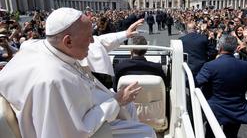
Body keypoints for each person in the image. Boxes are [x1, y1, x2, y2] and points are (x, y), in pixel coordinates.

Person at [0, 8, 156, 138]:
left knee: (129, 107)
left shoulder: (37, 45)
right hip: (78, 127)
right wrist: (116, 102)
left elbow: (99, 42)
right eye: (89, 36)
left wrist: (124, 34)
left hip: (80, 108)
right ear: (68, 41)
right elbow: (77, 131)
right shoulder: (53, 81)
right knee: (145, 132)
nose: (93, 41)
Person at [196, 35, 247, 138]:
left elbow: (196, 82)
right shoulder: (245, 65)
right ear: (234, 48)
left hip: (215, 109)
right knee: (231, 135)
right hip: (237, 108)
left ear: (219, 47)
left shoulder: (210, 65)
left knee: (211, 134)